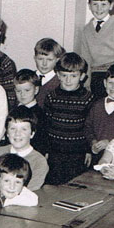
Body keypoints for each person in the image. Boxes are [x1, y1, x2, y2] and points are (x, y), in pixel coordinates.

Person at [43, 52, 94, 185]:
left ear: (82, 76)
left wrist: (88, 150)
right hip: (55, 151)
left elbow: (89, 127)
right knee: (54, 185)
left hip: (77, 152)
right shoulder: (51, 97)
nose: (68, 80)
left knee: (74, 186)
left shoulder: (88, 98)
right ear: (58, 75)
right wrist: (46, 149)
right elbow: (46, 125)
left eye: (73, 76)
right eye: (64, 75)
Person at [0, 107, 49, 191]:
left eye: (24, 129)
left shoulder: (39, 162)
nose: (17, 134)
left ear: (32, 133)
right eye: (13, 129)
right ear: (7, 133)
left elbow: (30, 191)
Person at [11, 68, 47, 155]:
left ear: (36, 90)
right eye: (19, 91)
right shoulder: (13, 111)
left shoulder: (40, 114)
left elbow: (42, 142)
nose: (22, 94)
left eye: (27, 90)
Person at [33, 37, 64, 107]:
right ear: (35, 58)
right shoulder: (29, 77)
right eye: (40, 59)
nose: (44, 64)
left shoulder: (60, 82)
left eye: (49, 60)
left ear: (57, 60)